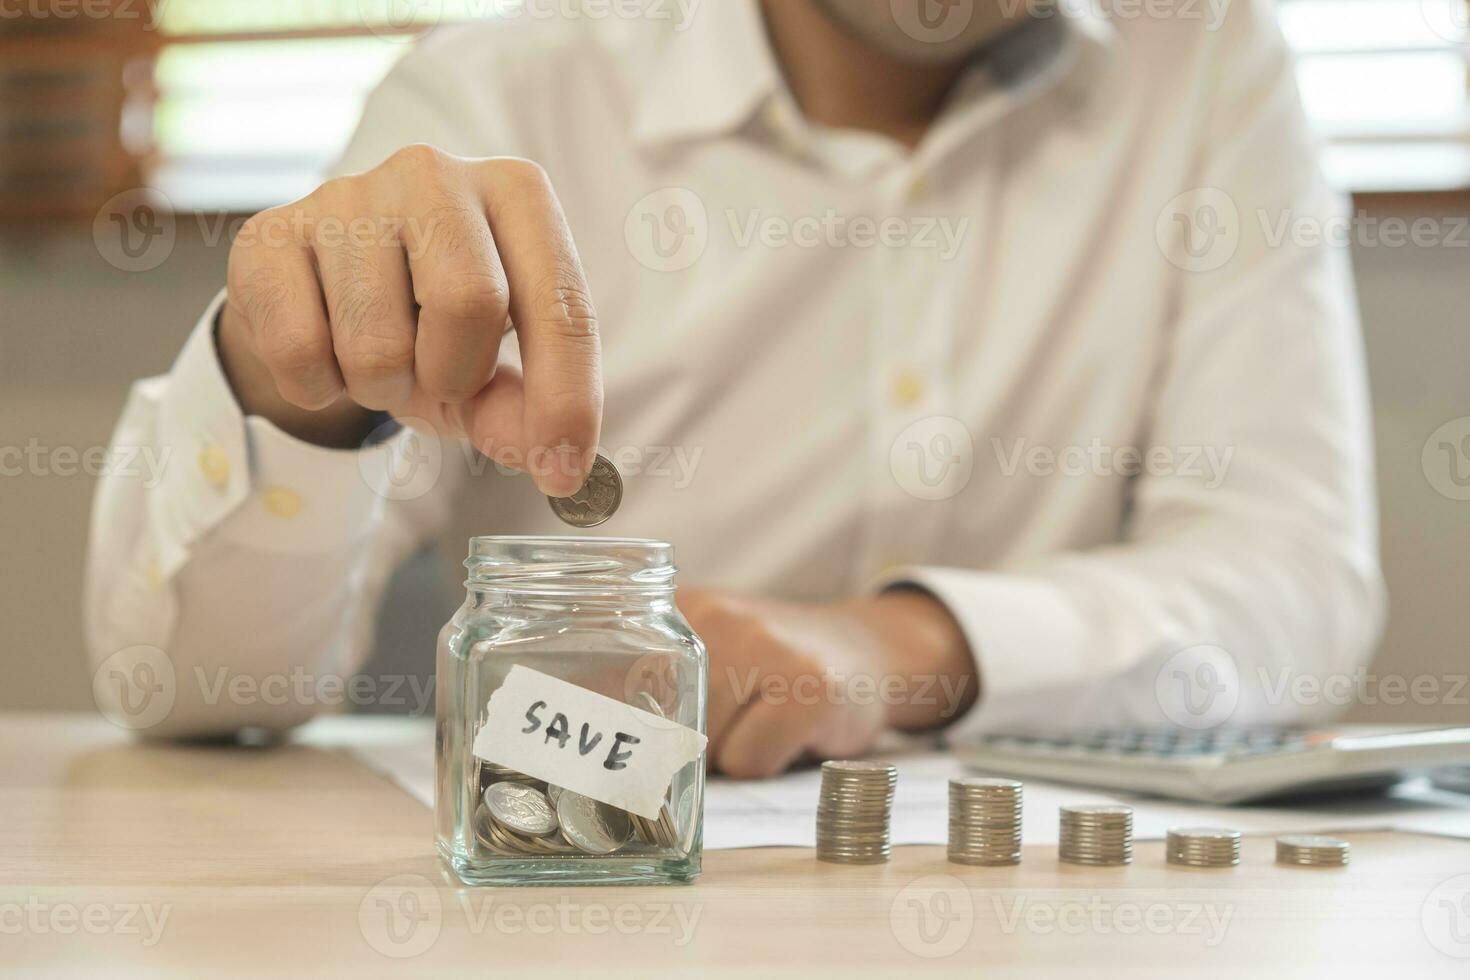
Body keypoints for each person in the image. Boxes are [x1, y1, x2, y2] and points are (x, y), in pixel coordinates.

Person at [86, 0, 1384, 777]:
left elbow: (1294, 582)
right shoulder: (500, 88)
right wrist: (290, 391)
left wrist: (897, 647)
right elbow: (190, 695)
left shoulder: (1207, 56)